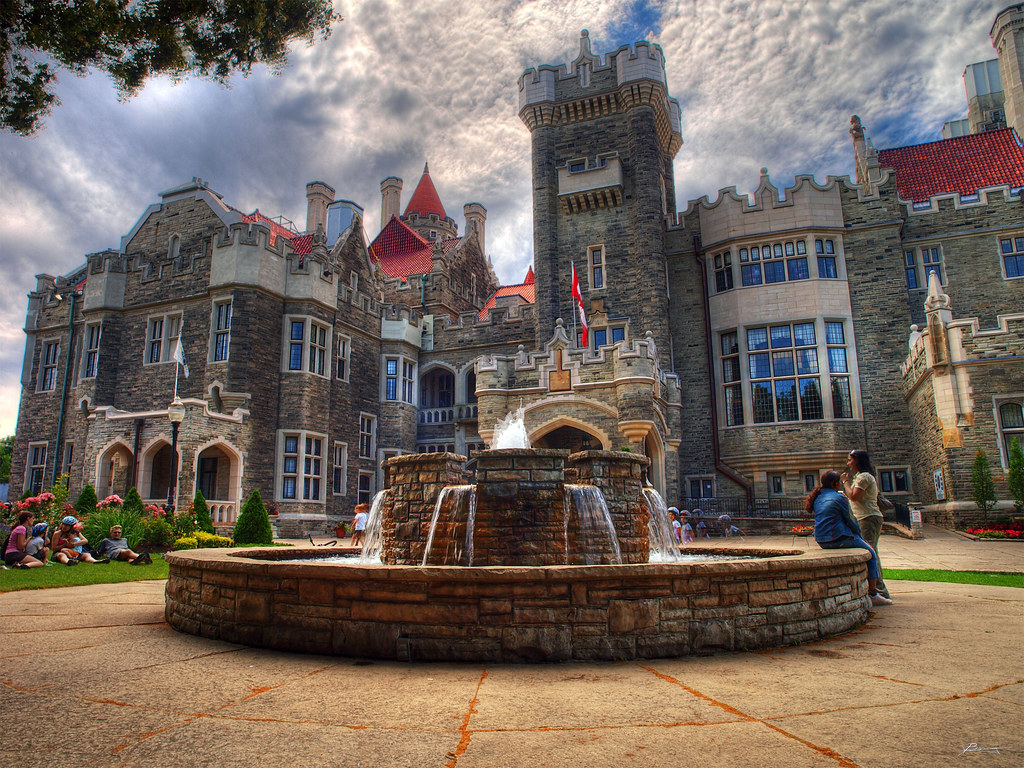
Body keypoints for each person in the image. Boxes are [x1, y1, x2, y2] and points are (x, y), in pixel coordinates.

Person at [807, 470, 892, 606]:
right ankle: (873, 593)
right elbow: (851, 520)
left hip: (822, 540)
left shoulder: (817, 498)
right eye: (840, 482)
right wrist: (859, 537)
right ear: (835, 483)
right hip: (838, 539)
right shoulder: (840, 498)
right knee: (871, 553)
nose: (841, 485)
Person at [842, 450, 891, 600]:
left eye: (850, 460)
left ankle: (878, 591)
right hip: (865, 517)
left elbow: (855, 497)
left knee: (870, 554)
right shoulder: (861, 477)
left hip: (868, 518)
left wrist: (845, 483)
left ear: (857, 461)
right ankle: (877, 589)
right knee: (871, 552)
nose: (848, 463)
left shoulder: (863, 477)